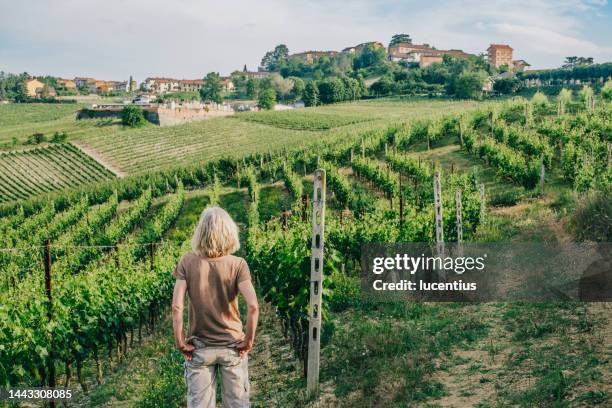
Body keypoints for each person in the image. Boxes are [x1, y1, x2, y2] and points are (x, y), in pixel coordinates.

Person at [172, 206, 259, 408]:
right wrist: (248, 341)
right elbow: (253, 306)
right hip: (232, 347)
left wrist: (180, 341)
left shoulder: (187, 262)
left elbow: (177, 306)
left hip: (200, 348)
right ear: (229, 232)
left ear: (200, 232)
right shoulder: (238, 264)